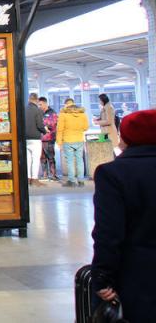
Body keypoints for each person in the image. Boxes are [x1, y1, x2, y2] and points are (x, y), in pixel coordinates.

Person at [91, 109, 156, 321]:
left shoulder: (113, 174)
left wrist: (102, 276)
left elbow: (109, 233)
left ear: (126, 136)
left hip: (138, 276)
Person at [55, 98, 89, 187]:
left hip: (68, 140)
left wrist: (59, 142)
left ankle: (72, 181)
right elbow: (86, 127)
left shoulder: (63, 115)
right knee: (80, 160)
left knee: (70, 161)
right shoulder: (82, 114)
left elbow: (59, 129)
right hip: (79, 140)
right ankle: (81, 181)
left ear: (66, 105)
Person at [24, 92, 46, 186]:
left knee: (28, 159)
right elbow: (40, 125)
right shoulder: (38, 111)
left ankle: (28, 178)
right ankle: (34, 179)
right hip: (35, 138)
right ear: (36, 100)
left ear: (29, 99)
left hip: (25, 138)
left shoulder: (23, 109)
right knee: (35, 159)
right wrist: (45, 131)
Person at [38, 97, 59, 181]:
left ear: (45, 103)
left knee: (50, 157)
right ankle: (44, 174)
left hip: (49, 138)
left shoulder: (52, 112)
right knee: (42, 157)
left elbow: (53, 124)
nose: (39, 106)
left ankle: (53, 174)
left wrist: (44, 125)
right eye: (38, 104)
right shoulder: (39, 112)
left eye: (40, 104)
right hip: (40, 138)